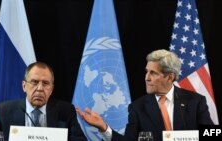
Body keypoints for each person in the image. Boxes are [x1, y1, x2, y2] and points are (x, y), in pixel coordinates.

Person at [76, 49, 214, 141]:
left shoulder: (195, 101)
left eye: (153, 73)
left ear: (170, 77)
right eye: (146, 72)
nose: (146, 78)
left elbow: (212, 134)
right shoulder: (137, 107)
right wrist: (104, 128)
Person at [0, 62, 87, 141]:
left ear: (51, 89)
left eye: (45, 83)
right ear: (24, 86)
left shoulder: (66, 111)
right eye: (34, 82)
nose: (40, 88)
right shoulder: (4, 110)